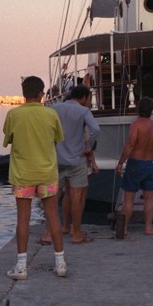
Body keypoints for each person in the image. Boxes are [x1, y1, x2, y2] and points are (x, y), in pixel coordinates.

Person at [2, 76, 67, 279]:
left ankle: (21, 267)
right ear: (41, 94)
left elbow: (8, 138)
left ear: (23, 93)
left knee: (23, 219)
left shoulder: (13, 115)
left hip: (23, 174)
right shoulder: (51, 115)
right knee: (53, 217)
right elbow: (57, 140)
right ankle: (61, 264)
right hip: (47, 173)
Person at [42, 85, 100, 245]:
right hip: (76, 160)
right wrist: (88, 148)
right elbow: (95, 129)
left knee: (54, 196)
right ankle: (76, 233)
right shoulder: (83, 111)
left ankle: (48, 233)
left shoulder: (54, 108)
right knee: (77, 198)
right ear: (84, 97)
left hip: (57, 158)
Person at [116, 96, 153, 237]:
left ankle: (124, 228)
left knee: (128, 198)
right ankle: (148, 227)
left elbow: (130, 145)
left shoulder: (136, 125)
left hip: (136, 162)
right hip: (150, 163)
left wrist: (121, 162)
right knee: (149, 197)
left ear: (138, 108)